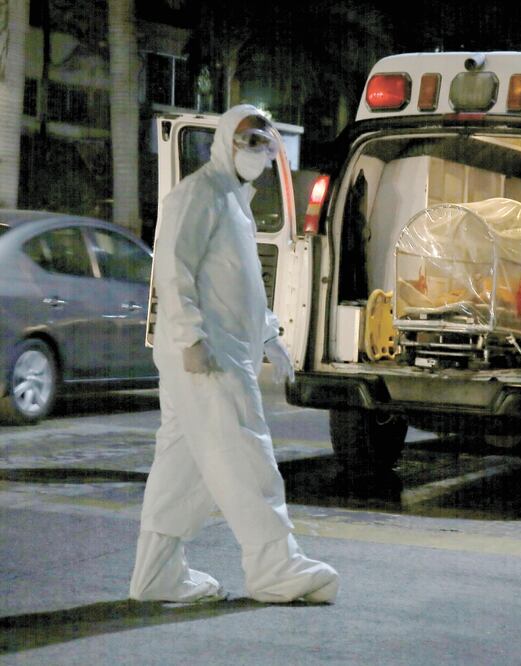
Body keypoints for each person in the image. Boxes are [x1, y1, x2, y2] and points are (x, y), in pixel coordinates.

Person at [129, 104, 339, 604]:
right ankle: (275, 568)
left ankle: (156, 576)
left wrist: (268, 334)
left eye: (266, 144)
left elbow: (240, 283)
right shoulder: (199, 194)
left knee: (183, 467)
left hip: (218, 352)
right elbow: (172, 269)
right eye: (249, 140)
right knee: (246, 454)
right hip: (210, 358)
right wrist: (190, 339)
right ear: (225, 141)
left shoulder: (232, 201)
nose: (258, 151)